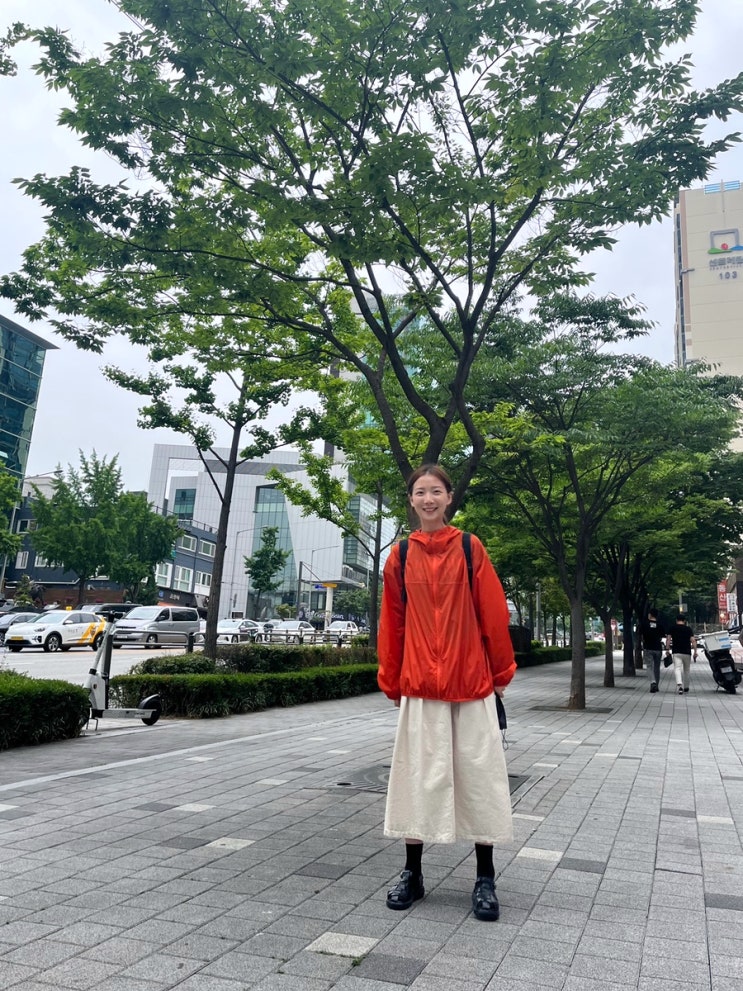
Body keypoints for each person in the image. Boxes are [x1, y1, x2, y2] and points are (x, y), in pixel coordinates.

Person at [377, 464, 516, 922]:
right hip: (420, 686)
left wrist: (501, 670)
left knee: (480, 780)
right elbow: (392, 623)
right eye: (420, 492)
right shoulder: (399, 556)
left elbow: (493, 613)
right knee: (417, 779)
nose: (428, 499)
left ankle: (485, 878)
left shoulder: (470, 548)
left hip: (471, 684)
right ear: (411, 500)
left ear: (449, 497)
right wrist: (391, 678)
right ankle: (412, 874)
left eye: (436, 491)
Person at [666, 613, 698, 694]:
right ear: (684, 621)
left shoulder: (672, 628)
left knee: (677, 668)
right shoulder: (688, 629)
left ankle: (680, 685)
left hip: (676, 652)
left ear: (676, 620)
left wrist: (667, 649)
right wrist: (695, 651)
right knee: (686, 670)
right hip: (687, 652)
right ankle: (686, 687)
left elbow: (668, 639)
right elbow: (693, 641)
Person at [639, 608, 666, 694]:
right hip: (658, 648)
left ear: (650, 615)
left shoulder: (644, 624)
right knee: (657, 667)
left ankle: (653, 682)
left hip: (648, 647)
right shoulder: (660, 625)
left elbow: (640, 635)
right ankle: (656, 686)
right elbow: (662, 635)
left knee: (649, 666)